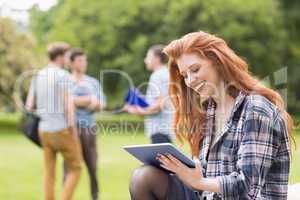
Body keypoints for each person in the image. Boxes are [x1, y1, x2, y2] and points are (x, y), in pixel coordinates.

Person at [129, 32, 293, 199]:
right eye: (185, 75)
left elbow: (247, 185)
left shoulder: (256, 108)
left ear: (217, 62)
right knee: (144, 177)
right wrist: (182, 171)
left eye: (195, 69)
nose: (190, 81)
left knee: (144, 178)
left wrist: (198, 182)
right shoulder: (209, 112)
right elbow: (205, 180)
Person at [26, 42, 82, 200]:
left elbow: (29, 106)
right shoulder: (63, 75)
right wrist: (73, 130)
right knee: (76, 168)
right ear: (60, 57)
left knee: (49, 172)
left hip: (43, 130)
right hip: (62, 129)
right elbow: (68, 106)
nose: (69, 59)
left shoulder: (39, 75)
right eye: (67, 56)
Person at [64, 48, 106, 200]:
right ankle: (66, 196)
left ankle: (95, 196)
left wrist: (78, 102)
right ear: (71, 63)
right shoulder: (66, 81)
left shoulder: (92, 82)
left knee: (92, 166)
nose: (84, 63)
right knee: (69, 166)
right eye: (80, 60)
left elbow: (101, 104)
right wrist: (88, 100)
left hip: (89, 129)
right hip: (71, 129)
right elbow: (65, 103)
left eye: (85, 60)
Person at [124, 45, 174, 144]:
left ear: (157, 58)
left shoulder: (157, 76)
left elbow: (159, 106)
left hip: (159, 131)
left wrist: (136, 110)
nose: (145, 60)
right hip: (166, 129)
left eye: (148, 57)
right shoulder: (166, 73)